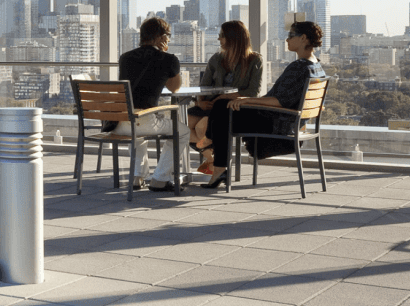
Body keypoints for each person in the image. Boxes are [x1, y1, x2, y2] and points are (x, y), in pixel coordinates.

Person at [201, 21, 327, 190]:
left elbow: (278, 101)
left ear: (303, 38)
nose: (287, 40)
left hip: (277, 124)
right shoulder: (317, 67)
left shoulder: (299, 67)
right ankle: (216, 160)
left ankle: (215, 158)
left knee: (222, 109)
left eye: (290, 36)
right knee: (223, 108)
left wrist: (247, 100)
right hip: (293, 124)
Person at [112, 17, 185, 192]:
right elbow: (174, 88)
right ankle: (160, 178)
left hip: (118, 122)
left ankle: (137, 177)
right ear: (160, 37)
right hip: (142, 121)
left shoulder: (125, 58)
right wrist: (171, 62)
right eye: (168, 35)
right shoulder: (168, 59)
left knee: (137, 131)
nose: (169, 39)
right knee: (182, 132)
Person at [189, 21, 263, 169]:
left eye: (222, 36)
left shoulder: (254, 60)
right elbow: (203, 87)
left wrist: (224, 97)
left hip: (234, 108)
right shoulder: (216, 59)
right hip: (209, 106)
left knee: (201, 127)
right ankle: (210, 155)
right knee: (182, 125)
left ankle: (214, 160)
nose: (219, 39)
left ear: (233, 37)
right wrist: (199, 103)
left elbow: (253, 92)